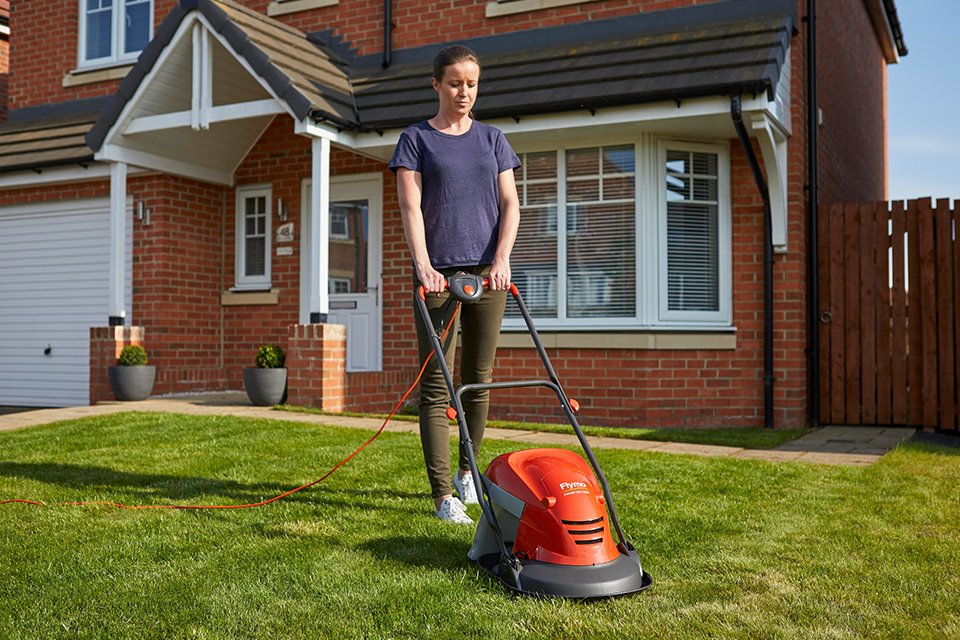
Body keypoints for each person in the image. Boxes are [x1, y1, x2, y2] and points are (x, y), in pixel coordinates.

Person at [388, 45, 521, 525]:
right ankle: (443, 495)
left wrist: (502, 258)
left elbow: (510, 204)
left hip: (488, 275)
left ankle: (468, 472)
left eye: (471, 83)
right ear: (436, 85)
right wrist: (423, 265)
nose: (464, 92)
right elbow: (410, 207)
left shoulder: (493, 139)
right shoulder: (416, 139)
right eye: (454, 83)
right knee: (436, 385)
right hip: (439, 278)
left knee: (478, 380)